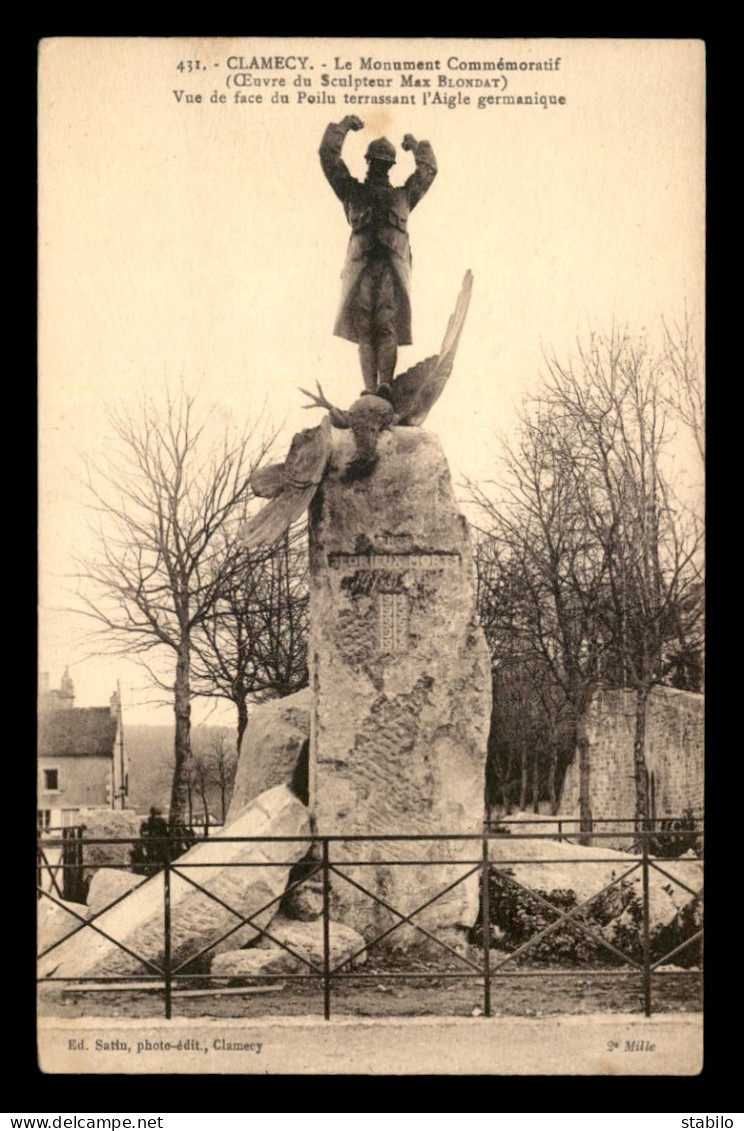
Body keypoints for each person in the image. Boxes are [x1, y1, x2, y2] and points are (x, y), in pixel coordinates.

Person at [319, 116, 437, 394]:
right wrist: (343, 127)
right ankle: (370, 389)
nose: (380, 169)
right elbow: (328, 156)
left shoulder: (403, 196)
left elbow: (428, 170)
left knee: (385, 327)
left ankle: (384, 385)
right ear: (368, 163)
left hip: (391, 272)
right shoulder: (352, 191)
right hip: (360, 269)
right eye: (376, 163)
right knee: (364, 330)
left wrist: (417, 147)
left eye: (384, 165)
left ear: (390, 168)